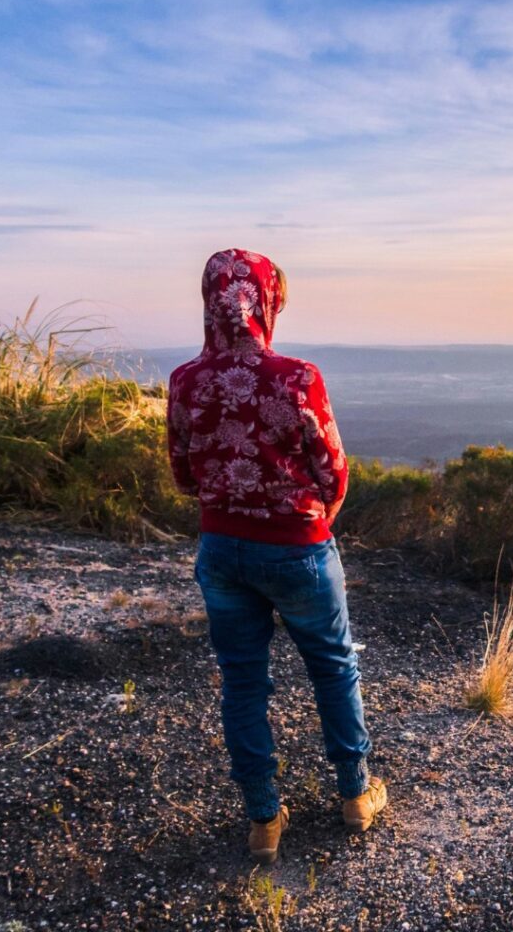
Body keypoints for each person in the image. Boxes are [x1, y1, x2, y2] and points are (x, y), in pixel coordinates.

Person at [166, 248, 386, 864]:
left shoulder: (185, 381)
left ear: (211, 300)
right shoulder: (298, 378)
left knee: (242, 682)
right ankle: (355, 795)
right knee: (334, 667)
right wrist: (315, 516)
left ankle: (264, 820)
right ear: (267, 302)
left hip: (221, 549)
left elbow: (183, 474)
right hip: (298, 550)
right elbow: (334, 471)